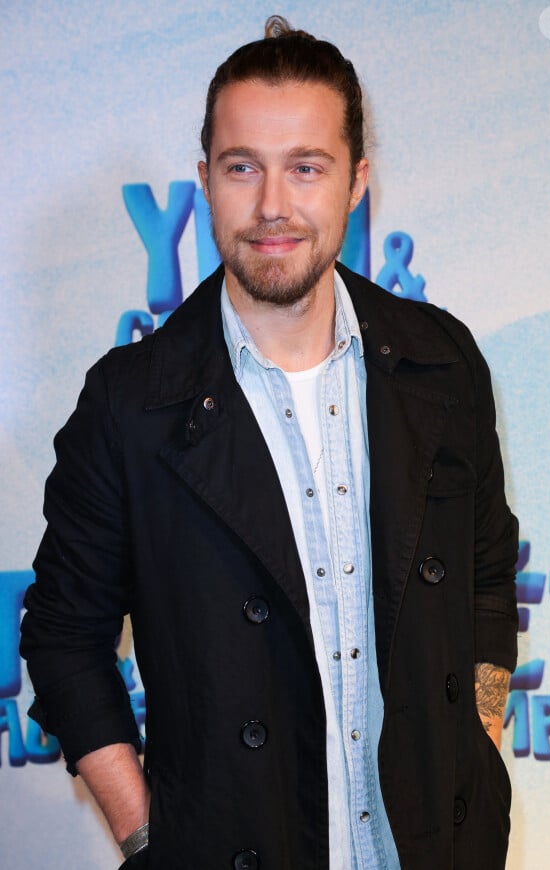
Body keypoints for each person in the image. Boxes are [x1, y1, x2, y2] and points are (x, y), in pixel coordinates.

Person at [20, 15, 519, 870]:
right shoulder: (127, 403)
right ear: (205, 179)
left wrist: (470, 736)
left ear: (357, 182)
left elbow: (484, 568)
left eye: (307, 168)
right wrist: (151, 838)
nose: (273, 207)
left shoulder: (442, 360)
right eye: (242, 167)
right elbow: (64, 641)